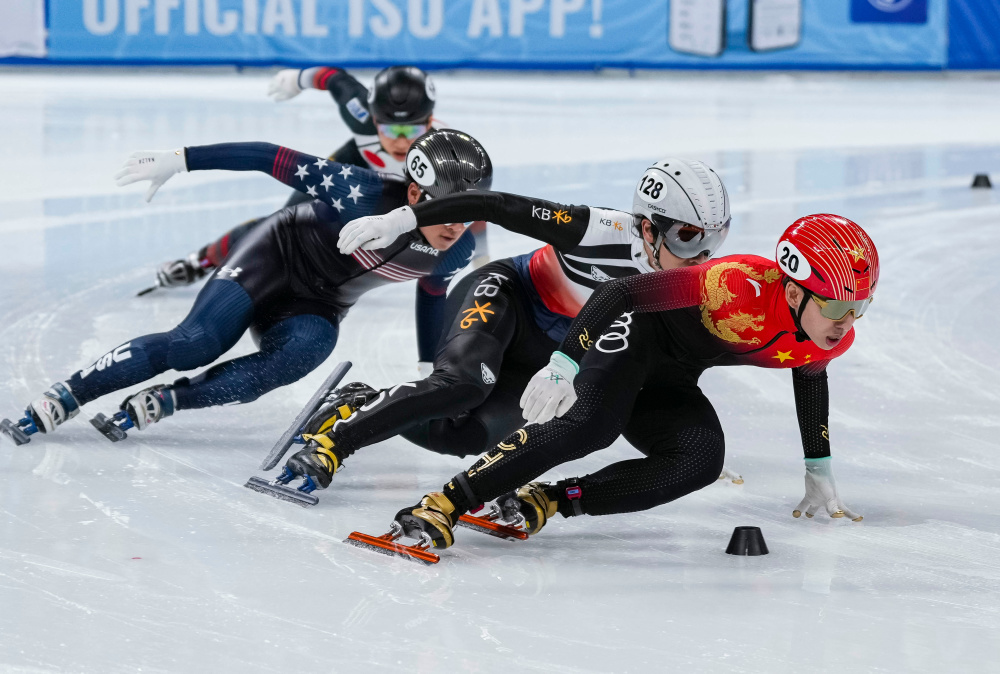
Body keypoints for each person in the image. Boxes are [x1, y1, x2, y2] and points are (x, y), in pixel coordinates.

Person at [375, 213, 878, 551]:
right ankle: (443, 502)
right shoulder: (732, 284)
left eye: (859, 308)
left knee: (700, 461)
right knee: (589, 427)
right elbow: (620, 291)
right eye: (837, 307)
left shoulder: (831, 336)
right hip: (635, 334)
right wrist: (565, 363)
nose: (846, 322)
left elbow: (811, 379)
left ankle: (549, 499)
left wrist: (818, 465)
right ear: (792, 292)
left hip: (673, 376)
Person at [273, 159, 741, 494]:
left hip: (553, 349)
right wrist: (404, 218)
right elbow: (494, 203)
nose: (702, 256)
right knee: (461, 386)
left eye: (713, 239)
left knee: (464, 437)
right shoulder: (595, 229)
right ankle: (332, 443)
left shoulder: (691, 279)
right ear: (646, 227)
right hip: (507, 295)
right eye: (687, 237)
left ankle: (360, 402)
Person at [0, 130, 490, 446]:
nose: (454, 226)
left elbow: (432, 294)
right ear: (411, 194)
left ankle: (170, 400)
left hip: (317, 304)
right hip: (272, 259)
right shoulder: (360, 192)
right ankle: (68, 393)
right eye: (445, 210)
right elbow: (269, 156)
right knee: (195, 343)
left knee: (299, 356)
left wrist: (430, 363)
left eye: (468, 213)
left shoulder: (457, 250)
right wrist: (183, 159)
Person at [149, 65, 488, 291]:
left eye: (412, 129)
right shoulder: (359, 115)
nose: (400, 140)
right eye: (390, 127)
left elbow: (466, 205)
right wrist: (297, 78)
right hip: (357, 167)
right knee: (279, 222)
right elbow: (334, 79)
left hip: (407, 191)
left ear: (430, 122)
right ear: (371, 117)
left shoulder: (447, 152)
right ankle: (200, 261)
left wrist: (481, 256)